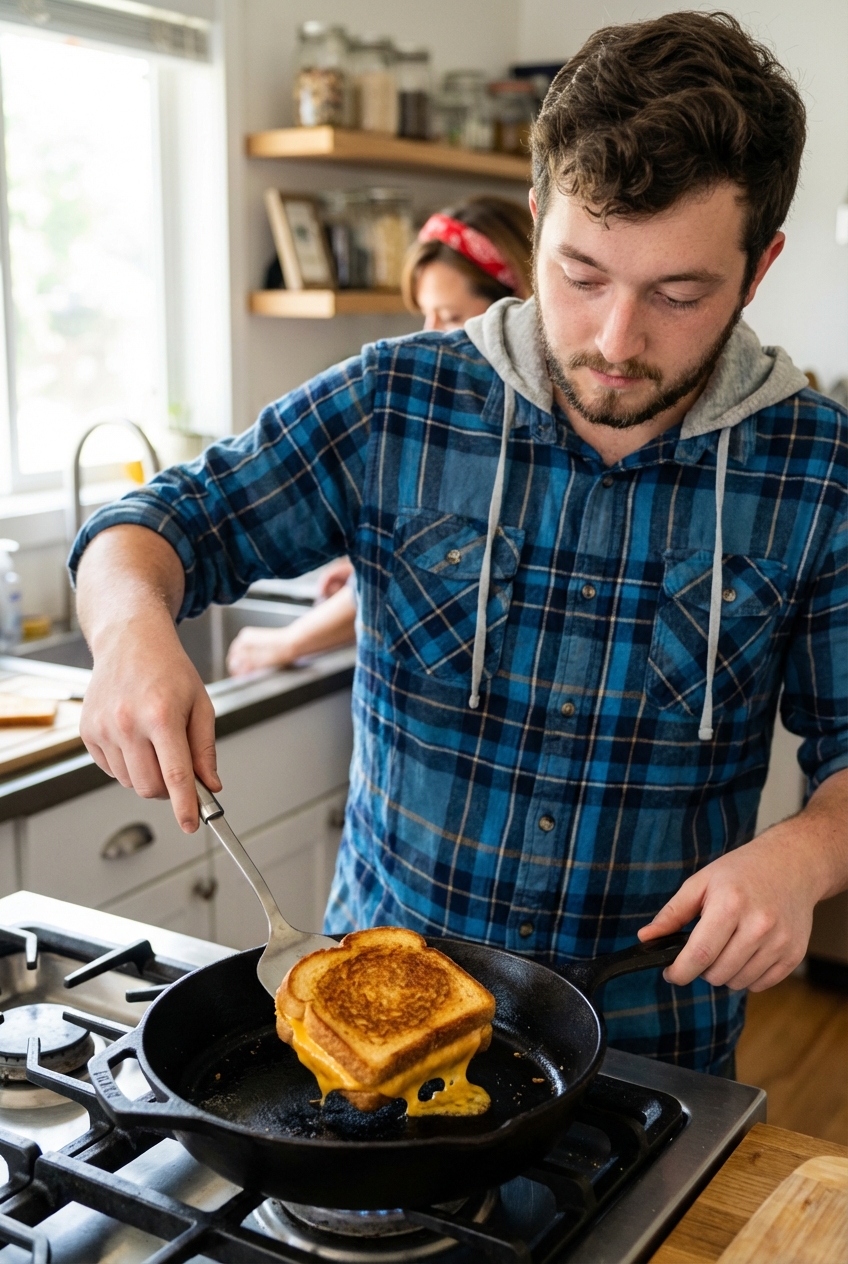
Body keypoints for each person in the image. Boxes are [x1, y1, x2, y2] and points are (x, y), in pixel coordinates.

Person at [70, 11, 846, 1077]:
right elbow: (149, 527)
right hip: (366, 1031)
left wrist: (806, 853)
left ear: (758, 267)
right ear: (533, 220)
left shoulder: (817, 472)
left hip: (647, 1053)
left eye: (677, 293)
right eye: (578, 275)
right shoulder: (395, 399)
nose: (615, 342)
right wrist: (127, 636)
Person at [226, 195, 534, 677]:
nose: (428, 337)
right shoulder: (428, 407)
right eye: (425, 315)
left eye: (450, 318)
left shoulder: (506, 433)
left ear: (515, 307)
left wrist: (285, 643)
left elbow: (410, 588)